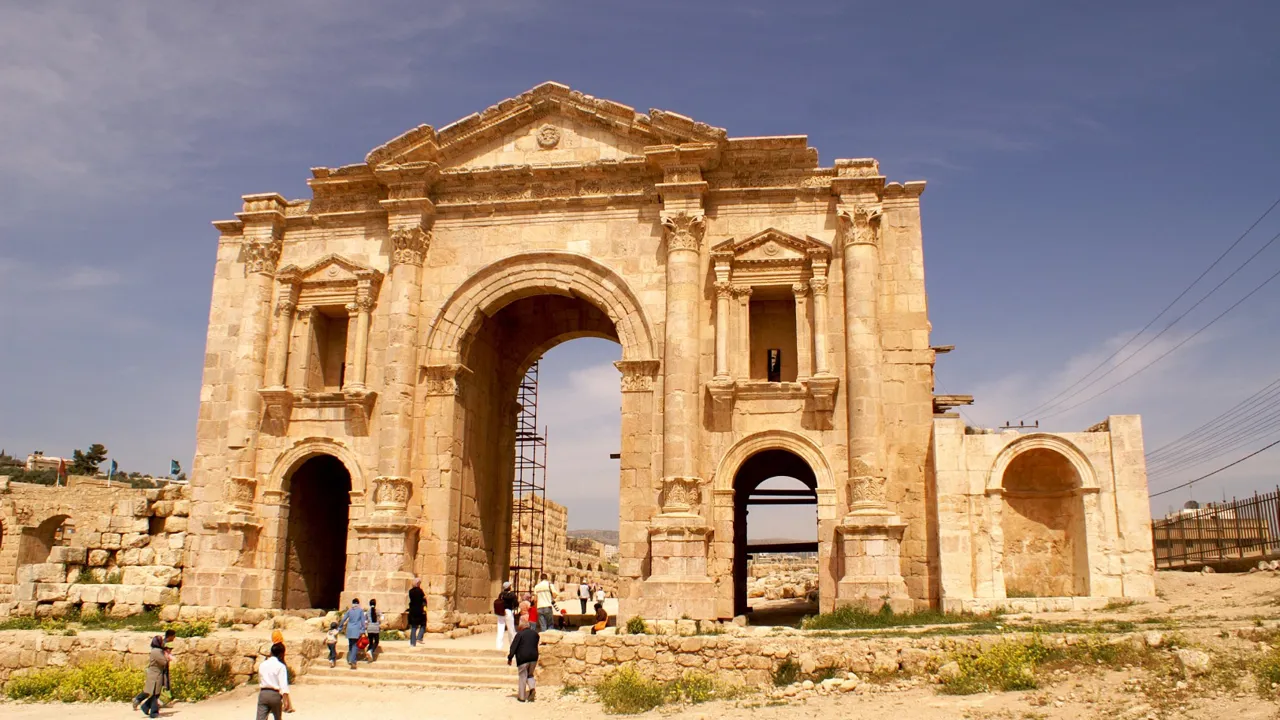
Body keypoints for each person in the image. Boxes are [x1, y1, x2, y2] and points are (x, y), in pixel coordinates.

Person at [132, 629, 175, 714]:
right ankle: (141, 702)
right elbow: (162, 658)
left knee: (156, 690)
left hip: (160, 671)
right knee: (152, 691)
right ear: (170, 636)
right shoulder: (159, 647)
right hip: (157, 672)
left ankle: (149, 706)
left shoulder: (160, 646)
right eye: (173, 636)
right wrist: (167, 657)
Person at [256, 641, 294, 720]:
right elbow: (283, 686)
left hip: (263, 694)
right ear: (281, 654)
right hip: (275, 695)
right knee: (277, 718)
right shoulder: (280, 666)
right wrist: (286, 701)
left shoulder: (263, 664)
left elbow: (260, 678)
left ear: (271, 652)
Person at [506, 618, 540, 702]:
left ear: (521, 626)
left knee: (522, 676)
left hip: (523, 658)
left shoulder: (520, 634)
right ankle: (532, 689)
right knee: (530, 675)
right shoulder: (535, 634)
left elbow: (513, 647)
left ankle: (521, 697)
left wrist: (510, 658)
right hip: (534, 658)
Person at [138, 634, 169, 718]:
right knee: (156, 694)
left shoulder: (155, 650)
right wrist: (167, 657)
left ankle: (145, 707)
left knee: (156, 694)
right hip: (155, 675)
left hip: (155, 674)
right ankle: (153, 713)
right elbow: (164, 662)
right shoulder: (157, 651)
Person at [339, 598, 367, 669]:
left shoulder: (349, 610)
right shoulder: (360, 610)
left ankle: (350, 659)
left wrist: (340, 627)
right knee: (355, 645)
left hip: (349, 630)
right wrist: (363, 630)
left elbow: (343, 619)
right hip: (356, 630)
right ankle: (353, 661)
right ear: (358, 603)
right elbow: (363, 621)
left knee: (351, 644)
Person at [407, 578, 426, 647]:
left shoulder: (410, 591)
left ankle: (412, 643)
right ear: (418, 584)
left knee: (414, 627)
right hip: (420, 610)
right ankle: (419, 637)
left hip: (412, 610)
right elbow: (424, 599)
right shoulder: (420, 591)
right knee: (423, 624)